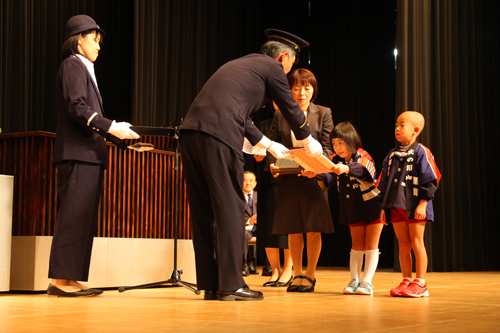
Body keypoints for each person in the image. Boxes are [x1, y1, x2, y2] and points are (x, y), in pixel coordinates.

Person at [180, 29, 323, 301]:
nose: (287, 72)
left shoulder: (239, 65)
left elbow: (240, 116)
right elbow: (290, 107)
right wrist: (308, 140)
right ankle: (232, 284)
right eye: (290, 65)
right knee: (232, 208)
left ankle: (211, 284)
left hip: (190, 135)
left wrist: (268, 144)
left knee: (202, 210)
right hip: (219, 137)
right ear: (283, 57)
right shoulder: (271, 67)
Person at [47, 15, 139, 297]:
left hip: (89, 154)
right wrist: (110, 126)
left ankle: (71, 278)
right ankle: (60, 280)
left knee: (84, 219)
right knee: (73, 217)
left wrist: (117, 136)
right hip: (78, 154)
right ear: (79, 40)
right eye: (94, 40)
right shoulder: (72, 64)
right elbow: (77, 106)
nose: (99, 46)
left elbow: (87, 113)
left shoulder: (84, 68)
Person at [270, 68, 334, 292]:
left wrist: (315, 168)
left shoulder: (323, 113)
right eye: (296, 87)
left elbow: (328, 147)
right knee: (294, 228)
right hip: (289, 178)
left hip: (314, 177)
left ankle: (310, 275)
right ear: (290, 90)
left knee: (313, 229)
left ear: (313, 89)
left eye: (306, 87)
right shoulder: (280, 114)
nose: (301, 92)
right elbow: (274, 144)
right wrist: (273, 163)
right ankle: (296, 274)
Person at [303, 122, 384, 295]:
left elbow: (364, 170)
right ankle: (354, 279)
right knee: (356, 245)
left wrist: (345, 168)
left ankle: (367, 282)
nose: (337, 147)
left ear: (351, 140)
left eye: (341, 142)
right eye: (334, 143)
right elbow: (328, 175)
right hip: (352, 207)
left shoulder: (363, 156)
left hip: (373, 206)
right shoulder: (334, 160)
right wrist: (313, 173)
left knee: (371, 245)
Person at [377, 111, 441, 298]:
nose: (397, 128)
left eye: (402, 125)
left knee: (416, 242)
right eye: (396, 125)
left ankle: (420, 283)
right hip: (396, 205)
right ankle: (406, 279)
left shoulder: (422, 151)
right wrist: (384, 207)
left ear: (415, 130)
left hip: (414, 205)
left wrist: (423, 203)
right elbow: (384, 181)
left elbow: (431, 179)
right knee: (403, 244)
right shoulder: (392, 154)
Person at [242, 171, 258, 276]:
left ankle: (268, 266)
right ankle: (244, 264)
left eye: (251, 180)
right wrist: (249, 221)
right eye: (245, 180)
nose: (248, 183)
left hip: (259, 227)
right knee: (243, 234)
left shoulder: (259, 196)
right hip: (245, 227)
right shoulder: (236, 197)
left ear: (255, 183)